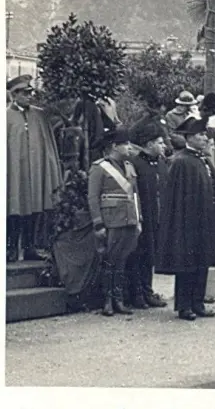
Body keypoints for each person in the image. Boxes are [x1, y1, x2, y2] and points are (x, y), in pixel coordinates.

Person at [155, 116, 215, 321]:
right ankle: (184, 305)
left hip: (204, 222)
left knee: (203, 262)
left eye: (205, 134)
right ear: (189, 137)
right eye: (200, 135)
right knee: (186, 264)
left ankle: (198, 302)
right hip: (187, 222)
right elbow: (175, 198)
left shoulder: (203, 160)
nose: (205, 138)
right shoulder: (181, 162)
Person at [7, 75, 64, 262]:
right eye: (25, 93)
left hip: (35, 171)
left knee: (34, 207)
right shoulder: (5, 117)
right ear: (14, 94)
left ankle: (29, 247)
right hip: (15, 172)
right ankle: (11, 248)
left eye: (30, 92)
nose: (29, 96)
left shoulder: (39, 116)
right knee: (14, 208)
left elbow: (48, 144)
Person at [87, 127, 142, 316]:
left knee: (122, 260)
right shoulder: (99, 167)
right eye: (124, 144)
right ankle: (107, 301)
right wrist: (98, 223)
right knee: (109, 260)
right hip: (111, 221)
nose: (129, 147)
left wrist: (138, 218)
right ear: (113, 146)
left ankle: (119, 300)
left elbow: (135, 195)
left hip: (129, 219)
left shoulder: (129, 166)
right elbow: (93, 197)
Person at [125, 116, 169, 309]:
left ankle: (148, 290)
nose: (163, 146)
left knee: (150, 255)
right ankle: (137, 293)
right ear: (149, 144)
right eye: (159, 142)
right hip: (142, 216)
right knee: (138, 254)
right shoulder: (136, 164)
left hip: (157, 217)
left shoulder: (160, 163)